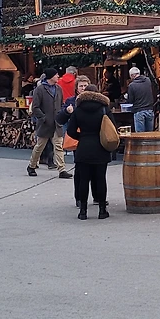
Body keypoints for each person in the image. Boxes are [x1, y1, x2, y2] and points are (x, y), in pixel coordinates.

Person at [64, 81, 113, 220]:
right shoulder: (104, 109)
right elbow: (112, 128)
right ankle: (102, 210)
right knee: (100, 179)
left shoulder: (78, 109)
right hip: (100, 147)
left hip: (83, 148)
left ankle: (83, 211)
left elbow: (71, 131)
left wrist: (82, 137)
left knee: (83, 180)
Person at [27, 68, 65, 177]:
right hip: (45, 124)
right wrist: (43, 118)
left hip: (56, 123)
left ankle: (62, 170)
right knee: (40, 146)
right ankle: (31, 166)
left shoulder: (58, 89)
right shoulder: (40, 90)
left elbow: (61, 104)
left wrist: (62, 115)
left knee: (58, 146)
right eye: (56, 74)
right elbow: (35, 107)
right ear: (51, 76)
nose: (58, 76)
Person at [126, 66, 156, 132]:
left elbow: (130, 101)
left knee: (140, 135)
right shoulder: (148, 80)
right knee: (150, 134)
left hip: (139, 111)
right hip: (150, 110)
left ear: (132, 75)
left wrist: (126, 97)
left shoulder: (132, 85)